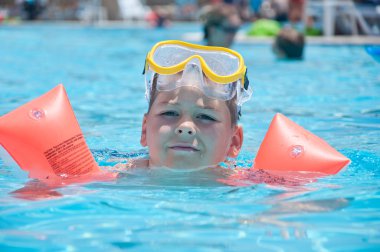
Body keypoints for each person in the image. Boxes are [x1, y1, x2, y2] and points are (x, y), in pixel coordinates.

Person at [116, 40, 252, 171]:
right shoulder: (116, 177)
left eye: (205, 116)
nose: (185, 127)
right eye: (170, 113)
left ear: (234, 141)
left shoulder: (252, 184)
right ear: (144, 130)